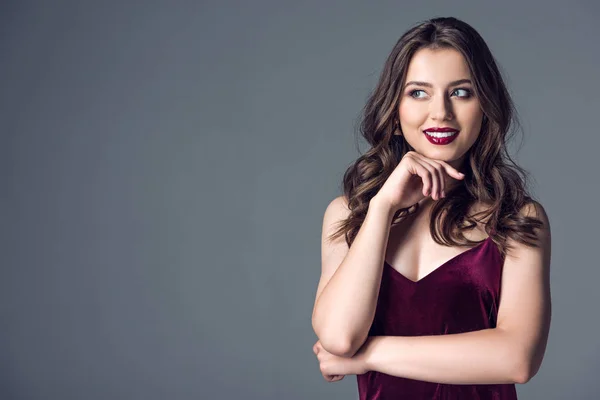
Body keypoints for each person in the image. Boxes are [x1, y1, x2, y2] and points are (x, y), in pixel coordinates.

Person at [311, 16, 552, 399]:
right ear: (394, 111)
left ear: (486, 107)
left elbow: (517, 358)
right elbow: (339, 338)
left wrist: (369, 354)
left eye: (461, 92)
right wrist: (383, 207)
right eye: (418, 93)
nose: (440, 113)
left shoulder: (517, 219)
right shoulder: (349, 214)